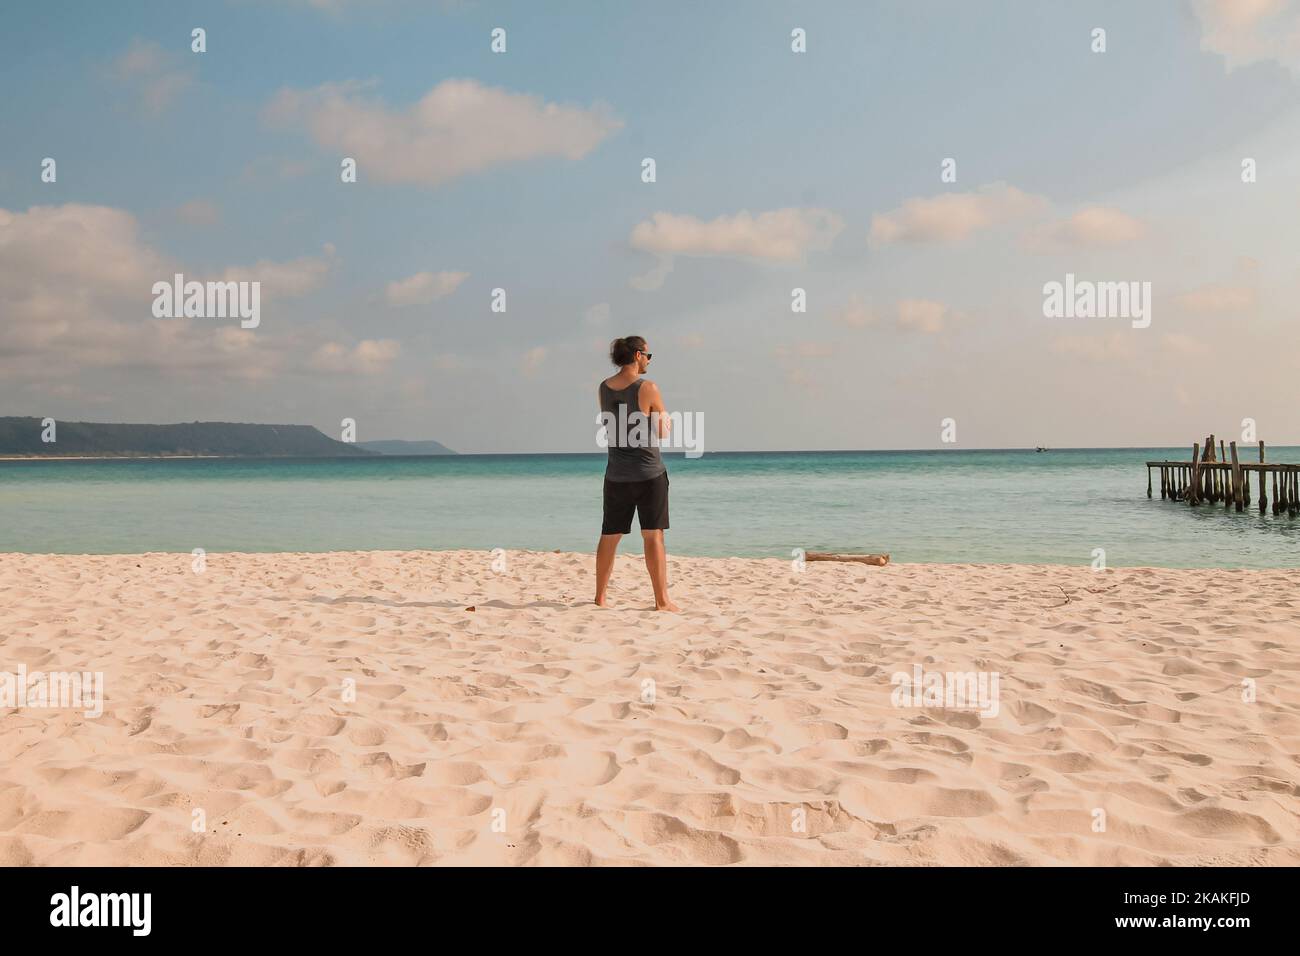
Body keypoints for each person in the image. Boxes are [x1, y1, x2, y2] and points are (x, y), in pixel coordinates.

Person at [594, 336, 680, 611]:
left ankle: (600, 597)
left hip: (616, 474)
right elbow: (662, 432)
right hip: (648, 474)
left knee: (610, 535)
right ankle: (662, 601)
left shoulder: (603, 388)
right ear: (638, 355)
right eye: (648, 355)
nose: (649, 360)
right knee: (653, 536)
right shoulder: (648, 388)